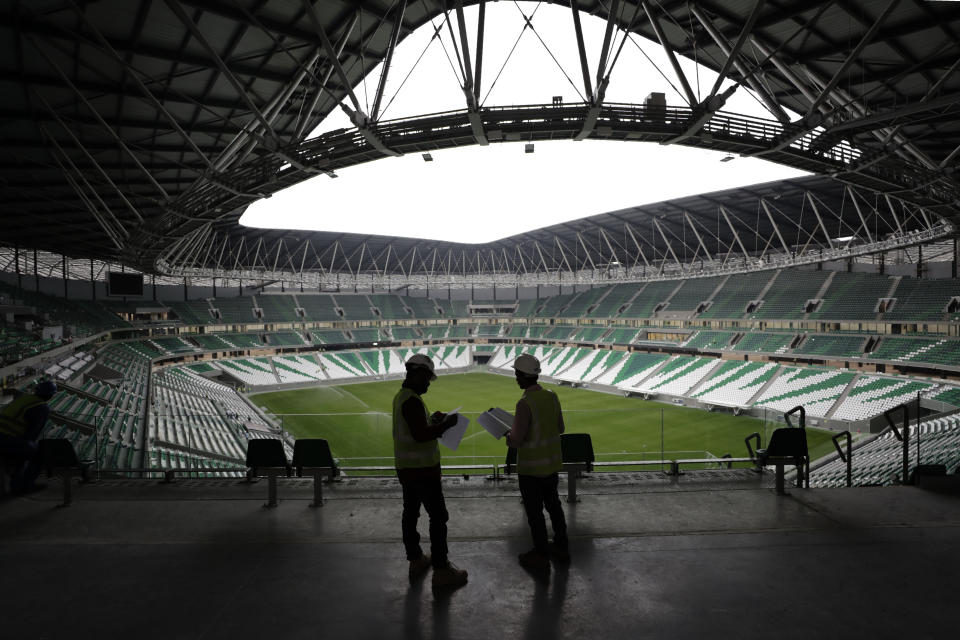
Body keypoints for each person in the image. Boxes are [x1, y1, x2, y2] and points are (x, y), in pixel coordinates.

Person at [393, 354, 468, 589]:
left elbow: (417, 426)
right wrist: (445, 425)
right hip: (423, 472)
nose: (428, 384)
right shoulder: (412, 400)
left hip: (408, 470)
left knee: (411, 514)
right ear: (417, 374)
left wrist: (432, 420)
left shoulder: (403, 397)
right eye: (427, 379)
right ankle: (441, 570)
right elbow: (420, 434)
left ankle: (416, 559)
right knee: (438, 517)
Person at [505, 354, 569, 572]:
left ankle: (540, 555)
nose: (516, 379)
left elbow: (515, 441)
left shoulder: (525, 403)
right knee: (554, 507)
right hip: (551, 466)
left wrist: (508, 435)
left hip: (531, 469)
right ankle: (561, 546)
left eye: (517, 375)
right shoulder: (551, 396)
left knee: (535, 513)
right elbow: (561, 428)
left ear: (524, 376)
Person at [0, 379, 57, 493]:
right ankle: (25, 485)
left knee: (26, 450)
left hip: (4, 437)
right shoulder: (41, 407)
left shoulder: (25, 398)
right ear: (51, 395)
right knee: (39, 454)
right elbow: (32, 433)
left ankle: (16, 483)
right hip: (7, 439)